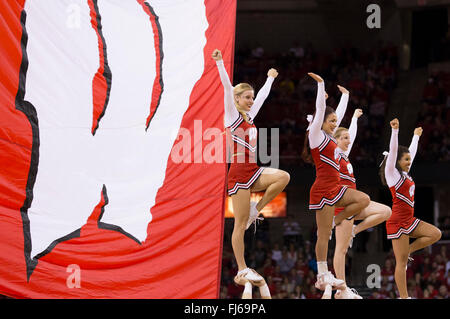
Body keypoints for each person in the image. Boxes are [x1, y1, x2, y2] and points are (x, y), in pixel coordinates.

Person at [212, 49, 290, 286]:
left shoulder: (250, 116)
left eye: (251, 97)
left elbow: (264, 98)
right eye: (247, 97)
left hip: (254, 169)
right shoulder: (231, 116)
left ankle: (259, 208)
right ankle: (242, 268)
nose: (251, 100)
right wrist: (219, 63)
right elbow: (226, 88)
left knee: (283, 177)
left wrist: (270, 78)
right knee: (239, 224)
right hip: (237, 173)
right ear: (237, 100)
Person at [301, 73, 370, 294]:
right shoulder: (316, 137)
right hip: (322, 189)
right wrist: (321, 85)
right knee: (323, 236)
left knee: (363, 199)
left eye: (334, 122)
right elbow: (321, 110)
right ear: (321, 123)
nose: (334, 125)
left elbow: (336, 115)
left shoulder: (331, 138)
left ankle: (336, 220)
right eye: (331, 122)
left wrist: (346, 97)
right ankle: (322, 272)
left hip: (337, 188)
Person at [332, 107, 392, 299]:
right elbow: (327, 134)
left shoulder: (344, 155)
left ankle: (354, 231)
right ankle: (342, 289)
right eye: (344, 138)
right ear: (335, 140)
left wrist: (355, 120)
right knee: (341, 250)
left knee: (385, 211)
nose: (349, 141)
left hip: (355, 202)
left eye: (348, 139)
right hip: (343, 205)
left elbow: (352, 135)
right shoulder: (332, 155)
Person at [379, 118, 442, 299]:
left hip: (410, 220)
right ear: (397, 161)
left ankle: (409, 251)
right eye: (405, 160)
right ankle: (404, 297)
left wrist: (415, 137)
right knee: (401, 263)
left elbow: (411, 153)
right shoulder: (393, 175)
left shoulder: (405, 174)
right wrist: (395, 131)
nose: (409, 162)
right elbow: (393, 152)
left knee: (435, 234)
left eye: (409, 160)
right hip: (397, 221)